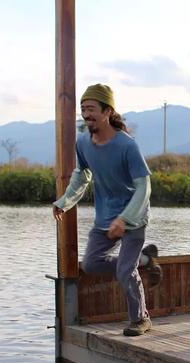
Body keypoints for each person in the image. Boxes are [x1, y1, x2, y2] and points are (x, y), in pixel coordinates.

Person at [52, 83, 161, 337]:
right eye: (83, 109)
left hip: (133, 219)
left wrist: (125, 218)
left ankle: (141, 319)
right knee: (91, 263)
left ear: (107, 111)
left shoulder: (127, 146)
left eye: (91, 108)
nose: (86, 114)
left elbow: (143, 187)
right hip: (105, 219)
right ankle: (145, 259)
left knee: (125, 270)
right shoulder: (83, 143)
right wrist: (64, 202)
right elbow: (82, 176)